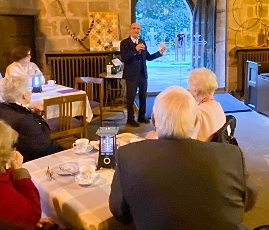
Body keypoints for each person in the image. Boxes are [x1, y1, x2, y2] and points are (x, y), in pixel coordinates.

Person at [109, 86, 257, 229]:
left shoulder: (127, 156)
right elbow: (248, 201)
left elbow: (119, 212)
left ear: (154, 120)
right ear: (195, 121)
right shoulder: (231, 156)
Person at [0, 75, 63, 162]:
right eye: (29, 89)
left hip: (16, 153)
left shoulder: (3, 109)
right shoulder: (24, 120)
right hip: (31, 159)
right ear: (24, 95)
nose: (31, 92)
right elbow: (44, 144)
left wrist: (34, 114)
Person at [120, 22, 165, 127]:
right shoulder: (125, 43)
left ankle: (142, 116)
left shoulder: (142, 42)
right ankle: (130, 119)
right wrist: (135, 50)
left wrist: (159, 53)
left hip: (142, 74)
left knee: (143, 96)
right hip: (131, 75)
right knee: (131, 97)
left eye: (138, 29)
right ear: (130, 30)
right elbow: (124, 58)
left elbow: (148, 57)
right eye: (134, 28)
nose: (136, 30)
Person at [187, 68, 226, 141]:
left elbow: (188, 142)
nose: (187, 88)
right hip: (216, 148)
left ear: (195, 91)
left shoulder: (197, 115)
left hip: (201, 149)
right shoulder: (217, 105)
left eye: (188, 85)